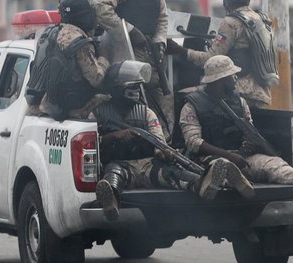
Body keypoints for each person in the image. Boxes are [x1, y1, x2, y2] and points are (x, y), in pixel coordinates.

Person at [93, 60, 255, 221]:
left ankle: (203, 184)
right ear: (117, 89)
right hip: (119, 165)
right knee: (114, 173)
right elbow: (90, 145)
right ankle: (111, 201)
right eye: (132, 87)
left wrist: (165, 153)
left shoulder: (147, 113)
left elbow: (158, 142)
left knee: (172, 172)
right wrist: (112, 137)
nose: (136, 90)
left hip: (148, 165)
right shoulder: (98, 114)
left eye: (138, 86)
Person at [179, 55, 293, 194]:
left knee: (273, 164)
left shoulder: (239, 102)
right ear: (220, 79)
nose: (236, 79)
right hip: (210, 160)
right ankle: (241, 183)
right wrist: (229, 156)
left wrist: (245, 150)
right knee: (223, 168)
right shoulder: (192, 105)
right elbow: (194, 143)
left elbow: (249, 129)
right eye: (232, 75)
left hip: (242, 157)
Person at [96, 0, 173, 130]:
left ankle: (165, 142)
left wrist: (160, 41)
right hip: (123, 51)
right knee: (133, 102)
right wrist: (129, 31)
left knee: (162, 101)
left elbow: (163, 17)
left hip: (152, 52)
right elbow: (103, 10)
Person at [169, 0, 277, 108]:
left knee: (182, 96)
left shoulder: (231, 22)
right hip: (262, 93)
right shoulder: (262, 19)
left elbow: (211, 59)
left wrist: (180, 50)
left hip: (239, 91)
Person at [27, 0, 110, 121]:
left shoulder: (49, 33)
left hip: (41, 106)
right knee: (110, 98)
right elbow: (96, 78)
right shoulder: (79, 41)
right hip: (70, 109)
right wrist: (104, 57)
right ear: (86, 15)